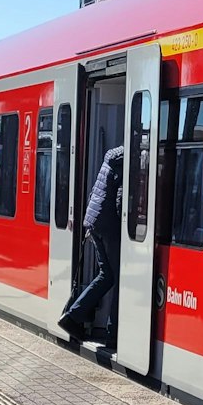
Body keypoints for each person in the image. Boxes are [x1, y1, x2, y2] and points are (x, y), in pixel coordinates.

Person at [58, 144, 125, 343]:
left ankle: (72, 317)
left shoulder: (111, 157)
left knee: (106, 275)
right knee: (117, 277)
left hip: (95, 222)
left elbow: (96, 193)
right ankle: (113, 333)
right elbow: (120, 200)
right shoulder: (125, 161)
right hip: (108, 226)